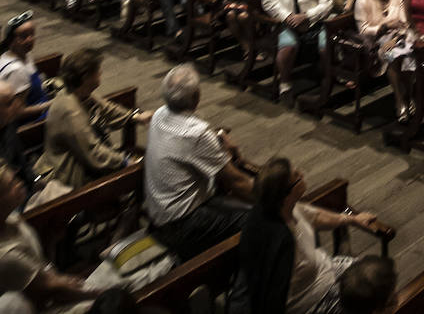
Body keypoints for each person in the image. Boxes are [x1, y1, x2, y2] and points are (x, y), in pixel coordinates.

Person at [237, 155, 376, 314]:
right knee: (368, 299)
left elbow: (316, 216)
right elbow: (274, 298)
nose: (303, 175)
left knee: (374, 275)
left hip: (324, 269)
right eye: (297, 176)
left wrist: (352, 220)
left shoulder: (283, 207)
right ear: (287, 194)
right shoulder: (281, 240)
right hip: (311, 301)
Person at [145, 63, 253, 259]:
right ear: (196, 97)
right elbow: (236, 182)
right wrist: (274, 200)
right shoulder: (197, 134)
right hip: (181, 224)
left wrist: (218, 136)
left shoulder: (159, 115)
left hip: (159, 213)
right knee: (256, 221)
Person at [0, 158, 129, 314]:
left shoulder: (12, 219)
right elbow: (53, 289)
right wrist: (104, 294)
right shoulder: (6, 255)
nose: (20, 183)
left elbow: (41, 264)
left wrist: (50, 241)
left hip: (60, 290)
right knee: (125, 292)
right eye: (11, 185)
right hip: (52, 306)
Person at [35, 46, 150, 190]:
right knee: (141, 173)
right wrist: (125, 162)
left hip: (84, 159)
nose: (101, 72)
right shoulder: (70, 110)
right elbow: (93, 152)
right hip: (69, 173)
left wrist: (136, 117)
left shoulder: (79, 93)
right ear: (85, 77)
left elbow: (107, 108)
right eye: (97, 71)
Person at [262, 0, 333, 100]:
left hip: (314, 23)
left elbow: (327, 4)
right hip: (287, 22)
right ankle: (285, 84)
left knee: (325, 47)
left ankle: (327, 80)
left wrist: (307, 16)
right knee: (287, 48)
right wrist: (287, 17)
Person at [355, 0, 413, 122]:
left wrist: (395, 38)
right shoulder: (362, 1)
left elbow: (403, 22)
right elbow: (363, 30)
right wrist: (385, 26)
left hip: (397, 38)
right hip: (373, 44)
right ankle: (400, 99)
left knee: (407, 52)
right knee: (394, 55)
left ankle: (407, 95)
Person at [0, 13, 49, 123]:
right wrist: (50, 104)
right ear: (11, 41)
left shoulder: (20, 54)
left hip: (39, 100)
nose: (30, 39)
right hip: (31, 120)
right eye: (23, 36)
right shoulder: (17, 71)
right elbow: (17, 113)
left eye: (32, 34)